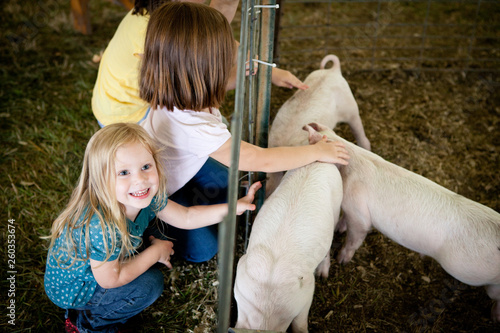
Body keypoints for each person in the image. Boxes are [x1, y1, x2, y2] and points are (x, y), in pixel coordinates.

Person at [138, 1, 350, 263]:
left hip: (170, 174)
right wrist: (316, 151)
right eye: (226, 57)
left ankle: (198, 205)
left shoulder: (170, 86)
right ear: (203, 70)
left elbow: (216, 86)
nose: (232, 59)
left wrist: (263, 73)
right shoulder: (194, 126)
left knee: (226, 179)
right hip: (151, 198)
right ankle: (152, 232)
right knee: (203, 250)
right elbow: (263, 159)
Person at [44, 123, 261, 332]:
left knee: (153, 238)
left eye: (146, 167)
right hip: (79, 289)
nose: (140, 180)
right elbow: (111, 279)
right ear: (101, 180)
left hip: (106, 264)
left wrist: (235, 208)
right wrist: (155, 252)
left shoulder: (147, 197)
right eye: (123, 173)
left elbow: (186, 216)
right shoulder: (102, 227)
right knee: (150, 284)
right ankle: (87, 323)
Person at [92, 0, 307, 127]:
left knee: (213, 123)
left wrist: (269, 71)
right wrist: (238, 75)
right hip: (128, 117)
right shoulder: (153, 34)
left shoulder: (167, 16)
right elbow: (186, 93)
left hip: (142, 98)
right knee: (207, 134)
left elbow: (216, 39)